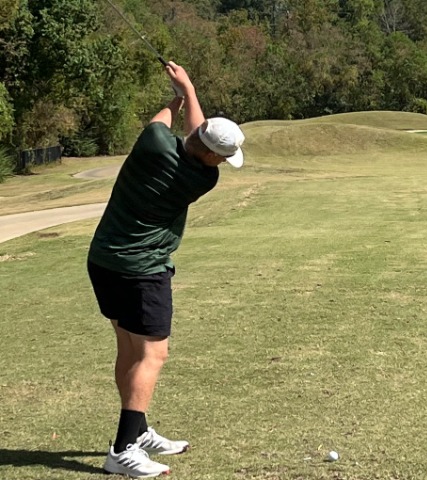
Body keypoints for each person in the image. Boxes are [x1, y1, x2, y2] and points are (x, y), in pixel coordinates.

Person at [87, 61, 245, 478]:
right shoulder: (204, 178)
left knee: (129, 349)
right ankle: (122, 450)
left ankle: (137, 432)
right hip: (143, 269)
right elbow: (198, 135)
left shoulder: (153, 143)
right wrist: (188, 91)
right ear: (211, 156)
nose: (223, 163)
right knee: (154, 353)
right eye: (223, 157)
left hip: (104, 260)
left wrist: (180, 94)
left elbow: (183, 128)